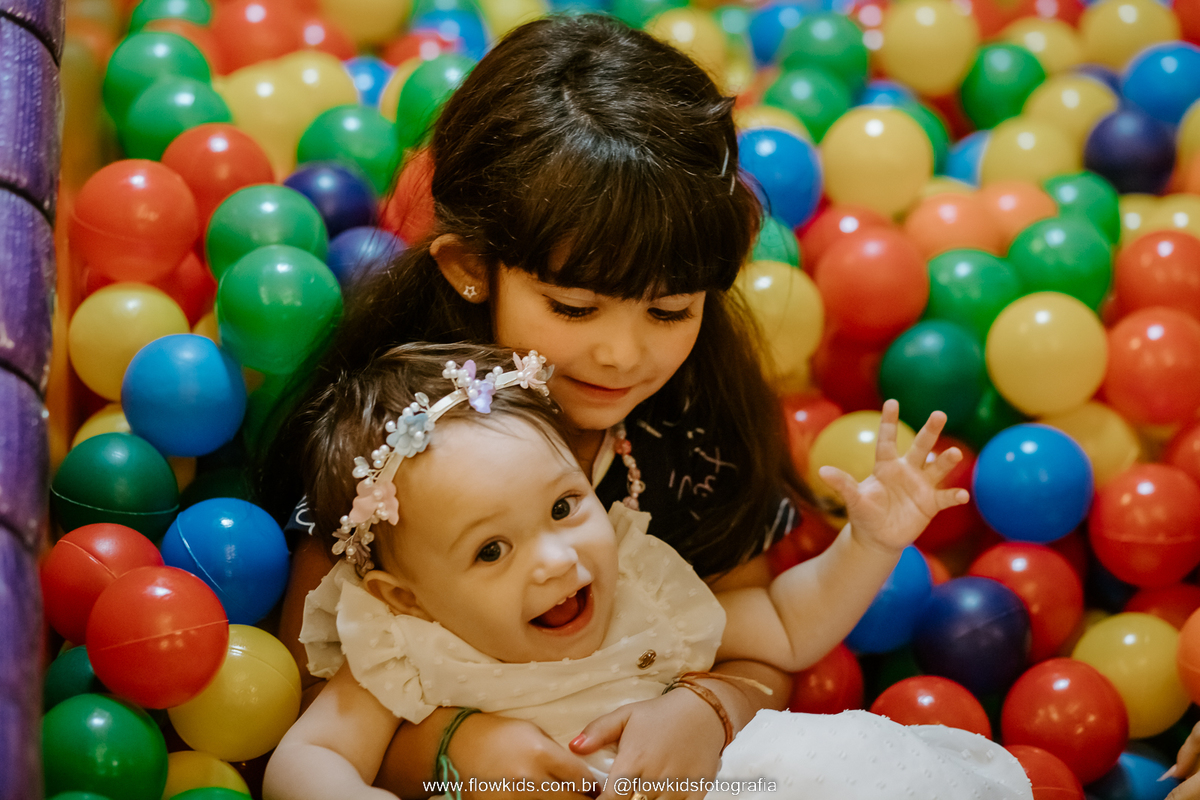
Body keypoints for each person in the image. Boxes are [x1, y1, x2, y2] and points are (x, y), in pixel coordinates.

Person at [258, 13, 807, 799]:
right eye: (574, 308)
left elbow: (758, 635)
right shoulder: (399, 439)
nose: (624, 354)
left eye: (670, 310)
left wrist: (712, 708)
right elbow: (309, 692)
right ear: (471, 266)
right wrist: (450, 748)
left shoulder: (693, 425)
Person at [261, 344, 1033, 800]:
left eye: (563, 506)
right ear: (406, 596)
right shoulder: (408, 648)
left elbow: (789, 627)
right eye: (491, 551)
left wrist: (869, 543)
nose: (557, 558)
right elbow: (307, 759)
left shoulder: (642, 589)